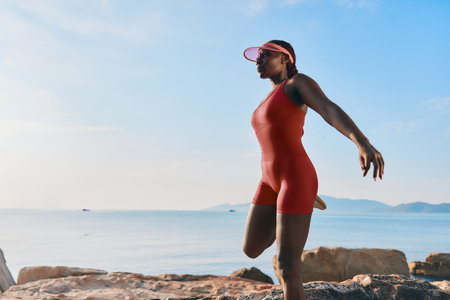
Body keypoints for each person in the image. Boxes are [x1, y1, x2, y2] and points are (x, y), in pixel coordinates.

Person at [242, 40, 384, 300]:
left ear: (285, 59)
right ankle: (303, 201)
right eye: (257, 58)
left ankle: (302, 197)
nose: (258, 61)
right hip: (268, 181)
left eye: (265, 55)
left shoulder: (297, 85)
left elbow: (329, 109)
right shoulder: (265, 99)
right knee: (250, 248)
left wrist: (363, 142)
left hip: (295, 176)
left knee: (287, 264)